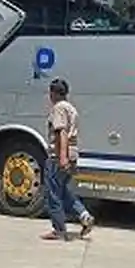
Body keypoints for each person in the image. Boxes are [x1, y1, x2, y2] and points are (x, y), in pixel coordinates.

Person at [41, 77, 95, 242]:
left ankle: (58, 230)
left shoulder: (58, 108)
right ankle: (84, 215)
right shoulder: (71, 108)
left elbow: (61, 132)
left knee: (53, 193)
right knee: (64, 191)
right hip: (73, 153)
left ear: (53, 93)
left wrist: (62, 157)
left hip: (58, 156)